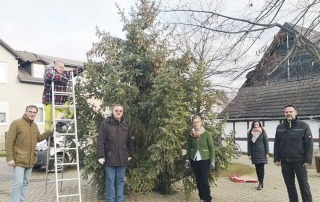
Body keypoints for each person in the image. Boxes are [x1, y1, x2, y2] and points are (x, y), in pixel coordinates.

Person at [5, 105, 54, 202]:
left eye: (34, 112)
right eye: (30, 111)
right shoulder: (17, 123)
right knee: (18, 184)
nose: (32, 114)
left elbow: (39, 138)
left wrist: (50, 131)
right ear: (26, 112)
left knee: (25, 183)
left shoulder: (35, 125)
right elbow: (9, 142)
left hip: (30, 160)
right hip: (18, 160)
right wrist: (10, 158)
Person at [274, 104, 313, 202]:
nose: (288, 113)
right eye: (286, 112)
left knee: (304, 185)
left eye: (290, 111)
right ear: (284, 113)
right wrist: (276, 158)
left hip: (300, 161)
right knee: (290, 186)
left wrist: (308, 160)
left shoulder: (304, 126)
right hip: (285, 161)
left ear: (295, 112)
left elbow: (309, 144)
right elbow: (277, 144)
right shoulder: (280, 127)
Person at [97, 104, 134, 202]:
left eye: (120, 111)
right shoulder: (105, 124)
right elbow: (101, 140)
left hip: (123, 158)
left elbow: (129, 141)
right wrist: (101, 156)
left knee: (121, 181)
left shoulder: (125, 125)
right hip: (110, 158)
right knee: (110, 181)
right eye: (116, 110)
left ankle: (120, 200)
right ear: (112, 111)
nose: (118, 112)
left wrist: (130, 154)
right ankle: (110, 200)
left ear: (122, 113)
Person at [42, 61, 83, 144]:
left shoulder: (65, 73)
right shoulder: (49, 70)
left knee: (72, 111)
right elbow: (49, 76)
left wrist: (83, 67)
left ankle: (60, 124)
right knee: (49, 121)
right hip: (50, 102)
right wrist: (63, 78)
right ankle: (49, 138)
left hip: (61, 102)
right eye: (60, 67)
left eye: (63, 67)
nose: (62, 69)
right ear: (55, 67)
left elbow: (73, 73)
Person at [185, 116, 215, 202]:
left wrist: (212, 160)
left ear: (201, 123)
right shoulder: (191, 135)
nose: (196, 124)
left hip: (204, 159)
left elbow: (211, 148)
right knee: (198, 179)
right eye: (194, 122)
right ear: (192, 124)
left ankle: (208, 199)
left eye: (197, 122)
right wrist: (187, 160)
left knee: (204, 179)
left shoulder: (207, 134)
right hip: (194, 159)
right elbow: (189, 147)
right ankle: (202, 198)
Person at [247, 120, 269, 190]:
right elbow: (249, 144)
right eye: (255, 125)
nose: (256, 126)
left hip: (262, 152)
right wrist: (249, 154)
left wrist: (267, 153)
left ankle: (260, 183)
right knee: (257, 168)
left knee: (261, 168)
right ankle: (260, 182)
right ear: (253, 125)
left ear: (259, 125)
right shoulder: (250, 133)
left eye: (257, 124)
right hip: (254, 152)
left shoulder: (263, 132)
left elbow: (266, 143)